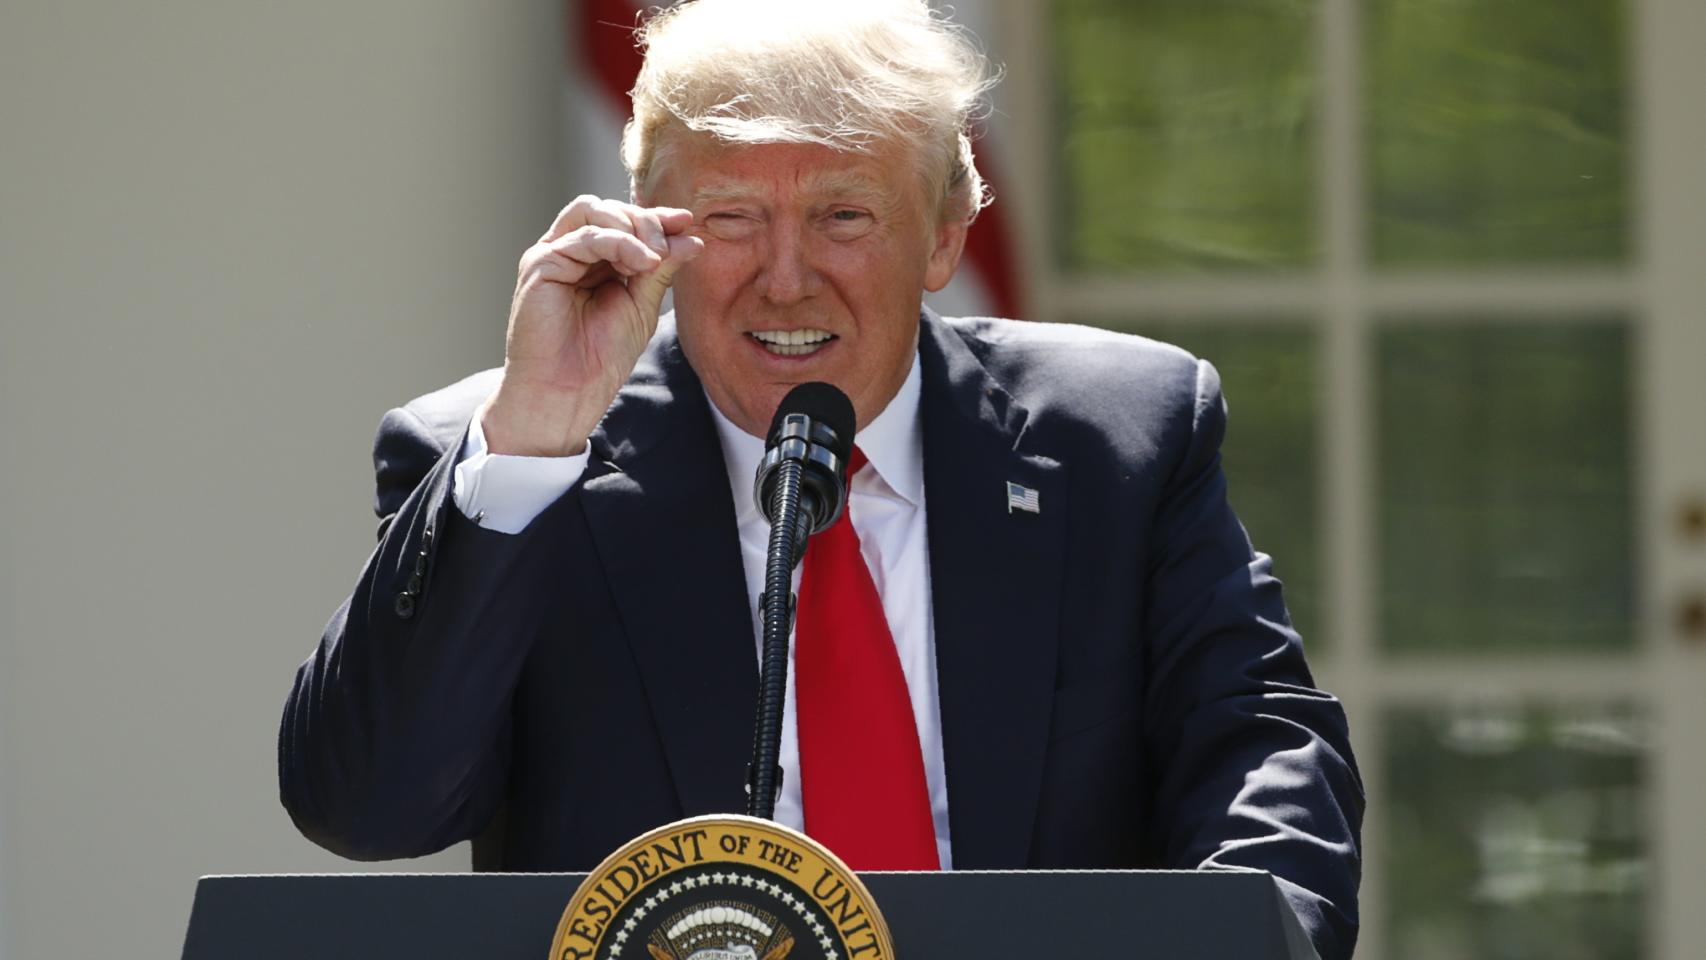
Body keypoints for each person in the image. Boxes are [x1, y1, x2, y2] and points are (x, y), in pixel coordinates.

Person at [279, 1, 1364, 957]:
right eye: (729, 220)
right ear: (648, 233)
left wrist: (1240, 932)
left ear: (943, 238)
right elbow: (366, 806)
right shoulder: (507, 455)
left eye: (844, 216)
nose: (783, 279)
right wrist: (531, 443)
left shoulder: (1117, 435)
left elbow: (1258, 746)